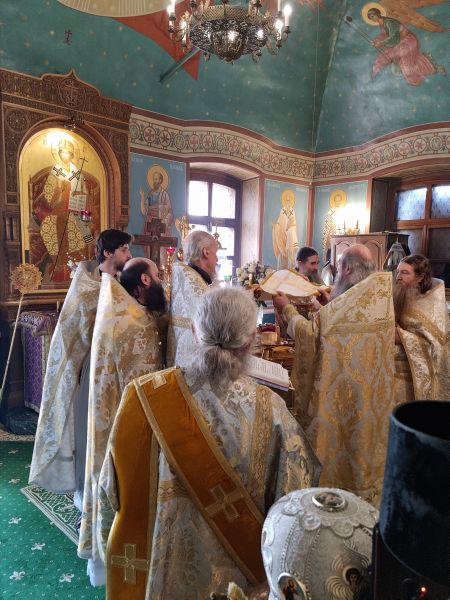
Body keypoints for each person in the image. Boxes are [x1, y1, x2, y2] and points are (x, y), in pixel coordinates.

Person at [97, 287, 321, 599]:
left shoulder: (141, 397)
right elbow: (294, 505)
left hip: (161, 581)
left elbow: (110, 496)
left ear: (194, 331)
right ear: (251, 339)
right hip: (241, 586)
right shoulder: (273, 411)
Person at [273, 244, 396, 504]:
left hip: (339, 400)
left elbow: (311, 336)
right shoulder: (378, 300)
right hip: (369, 402)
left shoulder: (349, 304)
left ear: (347, 268)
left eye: (339, 268)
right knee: (361, 450)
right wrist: (325, 305)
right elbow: (341, 322)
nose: (337, 273)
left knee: (336, 446)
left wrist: (287, 309)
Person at [77, 259, 165, 586]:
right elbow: (141, 382)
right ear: (145, 281)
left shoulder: (125, 309)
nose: (162, 280)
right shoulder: (130, 322)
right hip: (125, 425)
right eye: (158, 275)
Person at [29, 229, 132, 506]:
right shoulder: (86, 286)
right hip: (92, 372)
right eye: (124, 249)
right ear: (108, 252)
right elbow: (69, 332)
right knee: (91, 435)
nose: (129, 254)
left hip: (120, 373)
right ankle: (86, 499)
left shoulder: (125, 283)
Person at [393, 254, 450, 401]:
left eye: (405, 273)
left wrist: (400, 336)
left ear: (420, 277)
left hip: (409, 370)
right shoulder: (400, 293)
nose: (398, 277)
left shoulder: (430, 305)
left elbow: (435, 343)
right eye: (397, 272)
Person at [167, 229, 219, 367]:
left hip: (177, 362)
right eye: (215, 253)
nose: (217, 260)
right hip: (196, 366)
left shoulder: (181, 277)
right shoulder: (197, 287)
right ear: (205, 252)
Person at [367, 8, 437, 86]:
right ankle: (375, 76)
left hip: (408, 41)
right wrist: (376, 40)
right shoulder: (382, 24)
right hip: (400, 43)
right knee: (385, 57)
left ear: (378, 14)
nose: (372, 19)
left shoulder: (389, 22)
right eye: (370, 18)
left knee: (405, 63)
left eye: (373, 16)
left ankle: (421, 72)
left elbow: (394, 39)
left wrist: (381, 43)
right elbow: (384, 35)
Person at [141, 169, 174, 236]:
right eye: (154, 179)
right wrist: (142, 197)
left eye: (156, 179)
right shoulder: (150, 194)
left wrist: (165, 221)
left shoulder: (165, 195)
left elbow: (170, 212)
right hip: (150, 222)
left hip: (160, 223)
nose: (154, 181)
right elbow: (145, 210)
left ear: (160, 180)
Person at [272, 189, 299, 270]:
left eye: (289, 200)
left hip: (290, 237)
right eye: (286, 200)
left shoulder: (292, 211)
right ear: (284, 201)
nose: (288, 202)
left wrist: (289, 228)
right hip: (282, 237)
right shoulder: (282, 210)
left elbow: (294, 223)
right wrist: (275, 227)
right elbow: (280, 222)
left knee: (291, 256)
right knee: (282, 260)